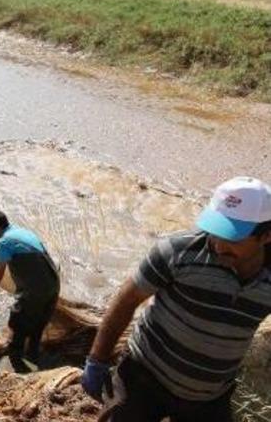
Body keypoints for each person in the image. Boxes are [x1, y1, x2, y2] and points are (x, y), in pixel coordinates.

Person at [81, 176, 271, 422]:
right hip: (142, 379)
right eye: (215, 231)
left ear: (266, 236)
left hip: (209, 397)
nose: (218, 245)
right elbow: (127, 300)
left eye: (232, 237)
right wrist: (96, 360)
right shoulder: (178, 252)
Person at [0, 211, 60, 371]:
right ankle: (34, 363)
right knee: (36, 328)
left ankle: (19, 371)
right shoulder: (22, 232)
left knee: (17, 324)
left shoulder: (4, 242)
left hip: (35, 289)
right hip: (53, 284)